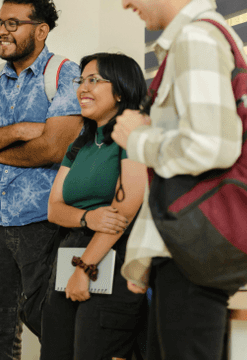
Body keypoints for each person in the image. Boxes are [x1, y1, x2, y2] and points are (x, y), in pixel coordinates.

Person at [110, 0, 247, 360]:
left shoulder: (196, 39)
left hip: (194, 252)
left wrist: (137, 138)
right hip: (185, 250)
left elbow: (209, 147)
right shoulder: (197, 38)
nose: (123, 3)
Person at [0, 0, 83, 359]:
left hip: (43, 225)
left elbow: (51, 149)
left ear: (41, 31)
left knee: (52, 330)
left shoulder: (65, 74)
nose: (2, 31)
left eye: (13, 23)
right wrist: (19, 130)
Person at [39, 53, 148, 360]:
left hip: (112, 259)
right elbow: (54, 208)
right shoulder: (82, 143)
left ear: (120, 89)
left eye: (93, 80)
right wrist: (88, 217)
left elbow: (123, 213)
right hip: (69, 256)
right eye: (81, 81)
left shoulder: (134, 134)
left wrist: (85, 268)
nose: (82, 88)